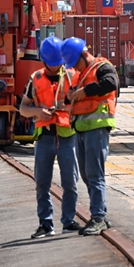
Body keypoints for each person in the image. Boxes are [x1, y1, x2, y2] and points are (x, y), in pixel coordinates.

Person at [18, 36, 80, 239]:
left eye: (58, 64)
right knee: (42, 183)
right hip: (44, 138)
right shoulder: (35, 78)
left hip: (67, 135)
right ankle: (45, 224)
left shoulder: (72, 77)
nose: (55, 68)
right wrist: (37, 112)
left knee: (70, 182)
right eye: (52, 65)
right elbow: (23, 108)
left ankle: (69, 221)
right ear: (43, 61)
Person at [62, 36, 119, 236]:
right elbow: (71, 96)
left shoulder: (102, 67)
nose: (75, 68)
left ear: (84, 55)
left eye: (75, 63)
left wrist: (85, 92)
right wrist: (70, 96)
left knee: (95, 175)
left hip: (97, 128)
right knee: (87, 175)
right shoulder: (80, 74)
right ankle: (100, 213)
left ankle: (98, 218)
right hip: (82, 129)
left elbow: (111, 83)